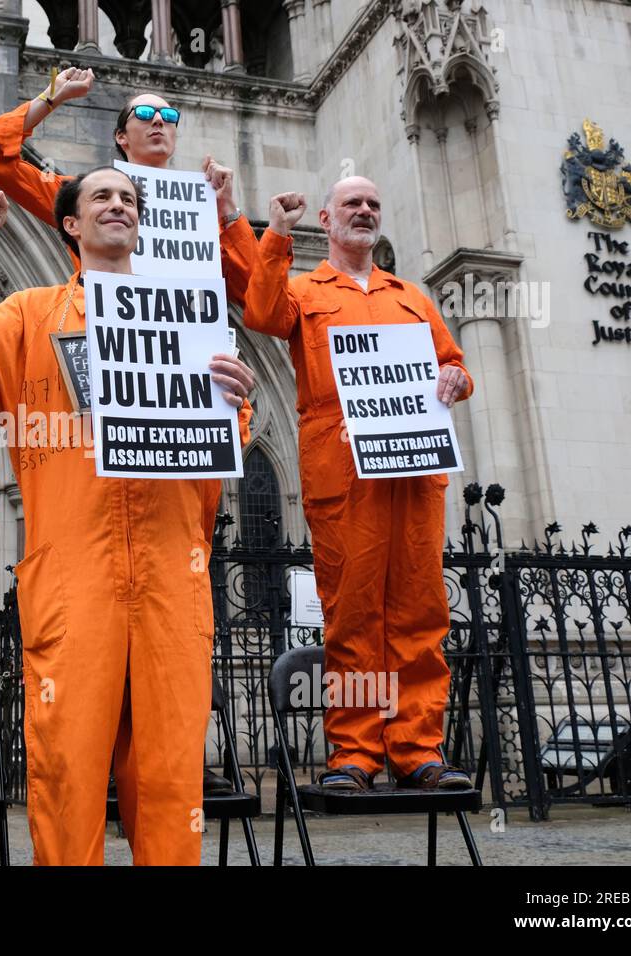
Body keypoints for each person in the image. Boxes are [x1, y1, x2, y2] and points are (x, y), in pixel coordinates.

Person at [0, 168, 262, 865]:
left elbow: (222, 440)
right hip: (74, 574)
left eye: (129, 199)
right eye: (102, 196)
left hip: (172, 569)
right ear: (70, 224)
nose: (119, 206)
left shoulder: (184, 311)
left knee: (170, 773)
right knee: (67, 766)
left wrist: (238, 402)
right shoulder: (29, 314)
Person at [243, 177, 474, 790]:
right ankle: (355, 752)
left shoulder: (412, 297)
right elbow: (261, 314)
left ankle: (418, 749)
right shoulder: (303, 288)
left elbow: (452, 364)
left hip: (414, 468)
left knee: (420, 612)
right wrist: (278, 235)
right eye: (353, 204)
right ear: (329, 217)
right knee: (352, 614)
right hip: (342, 467)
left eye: (374, 203)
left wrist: (456, 380)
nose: (365, 211)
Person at [0, 66, 256, 303]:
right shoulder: (85, 196)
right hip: (110, 347)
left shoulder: (203, 212)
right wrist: (53, 95)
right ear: (121, 136)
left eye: (169, 117)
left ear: (175, 136)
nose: (158, 120)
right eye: (144, 114)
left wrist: (228, 208)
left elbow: (257, 295)